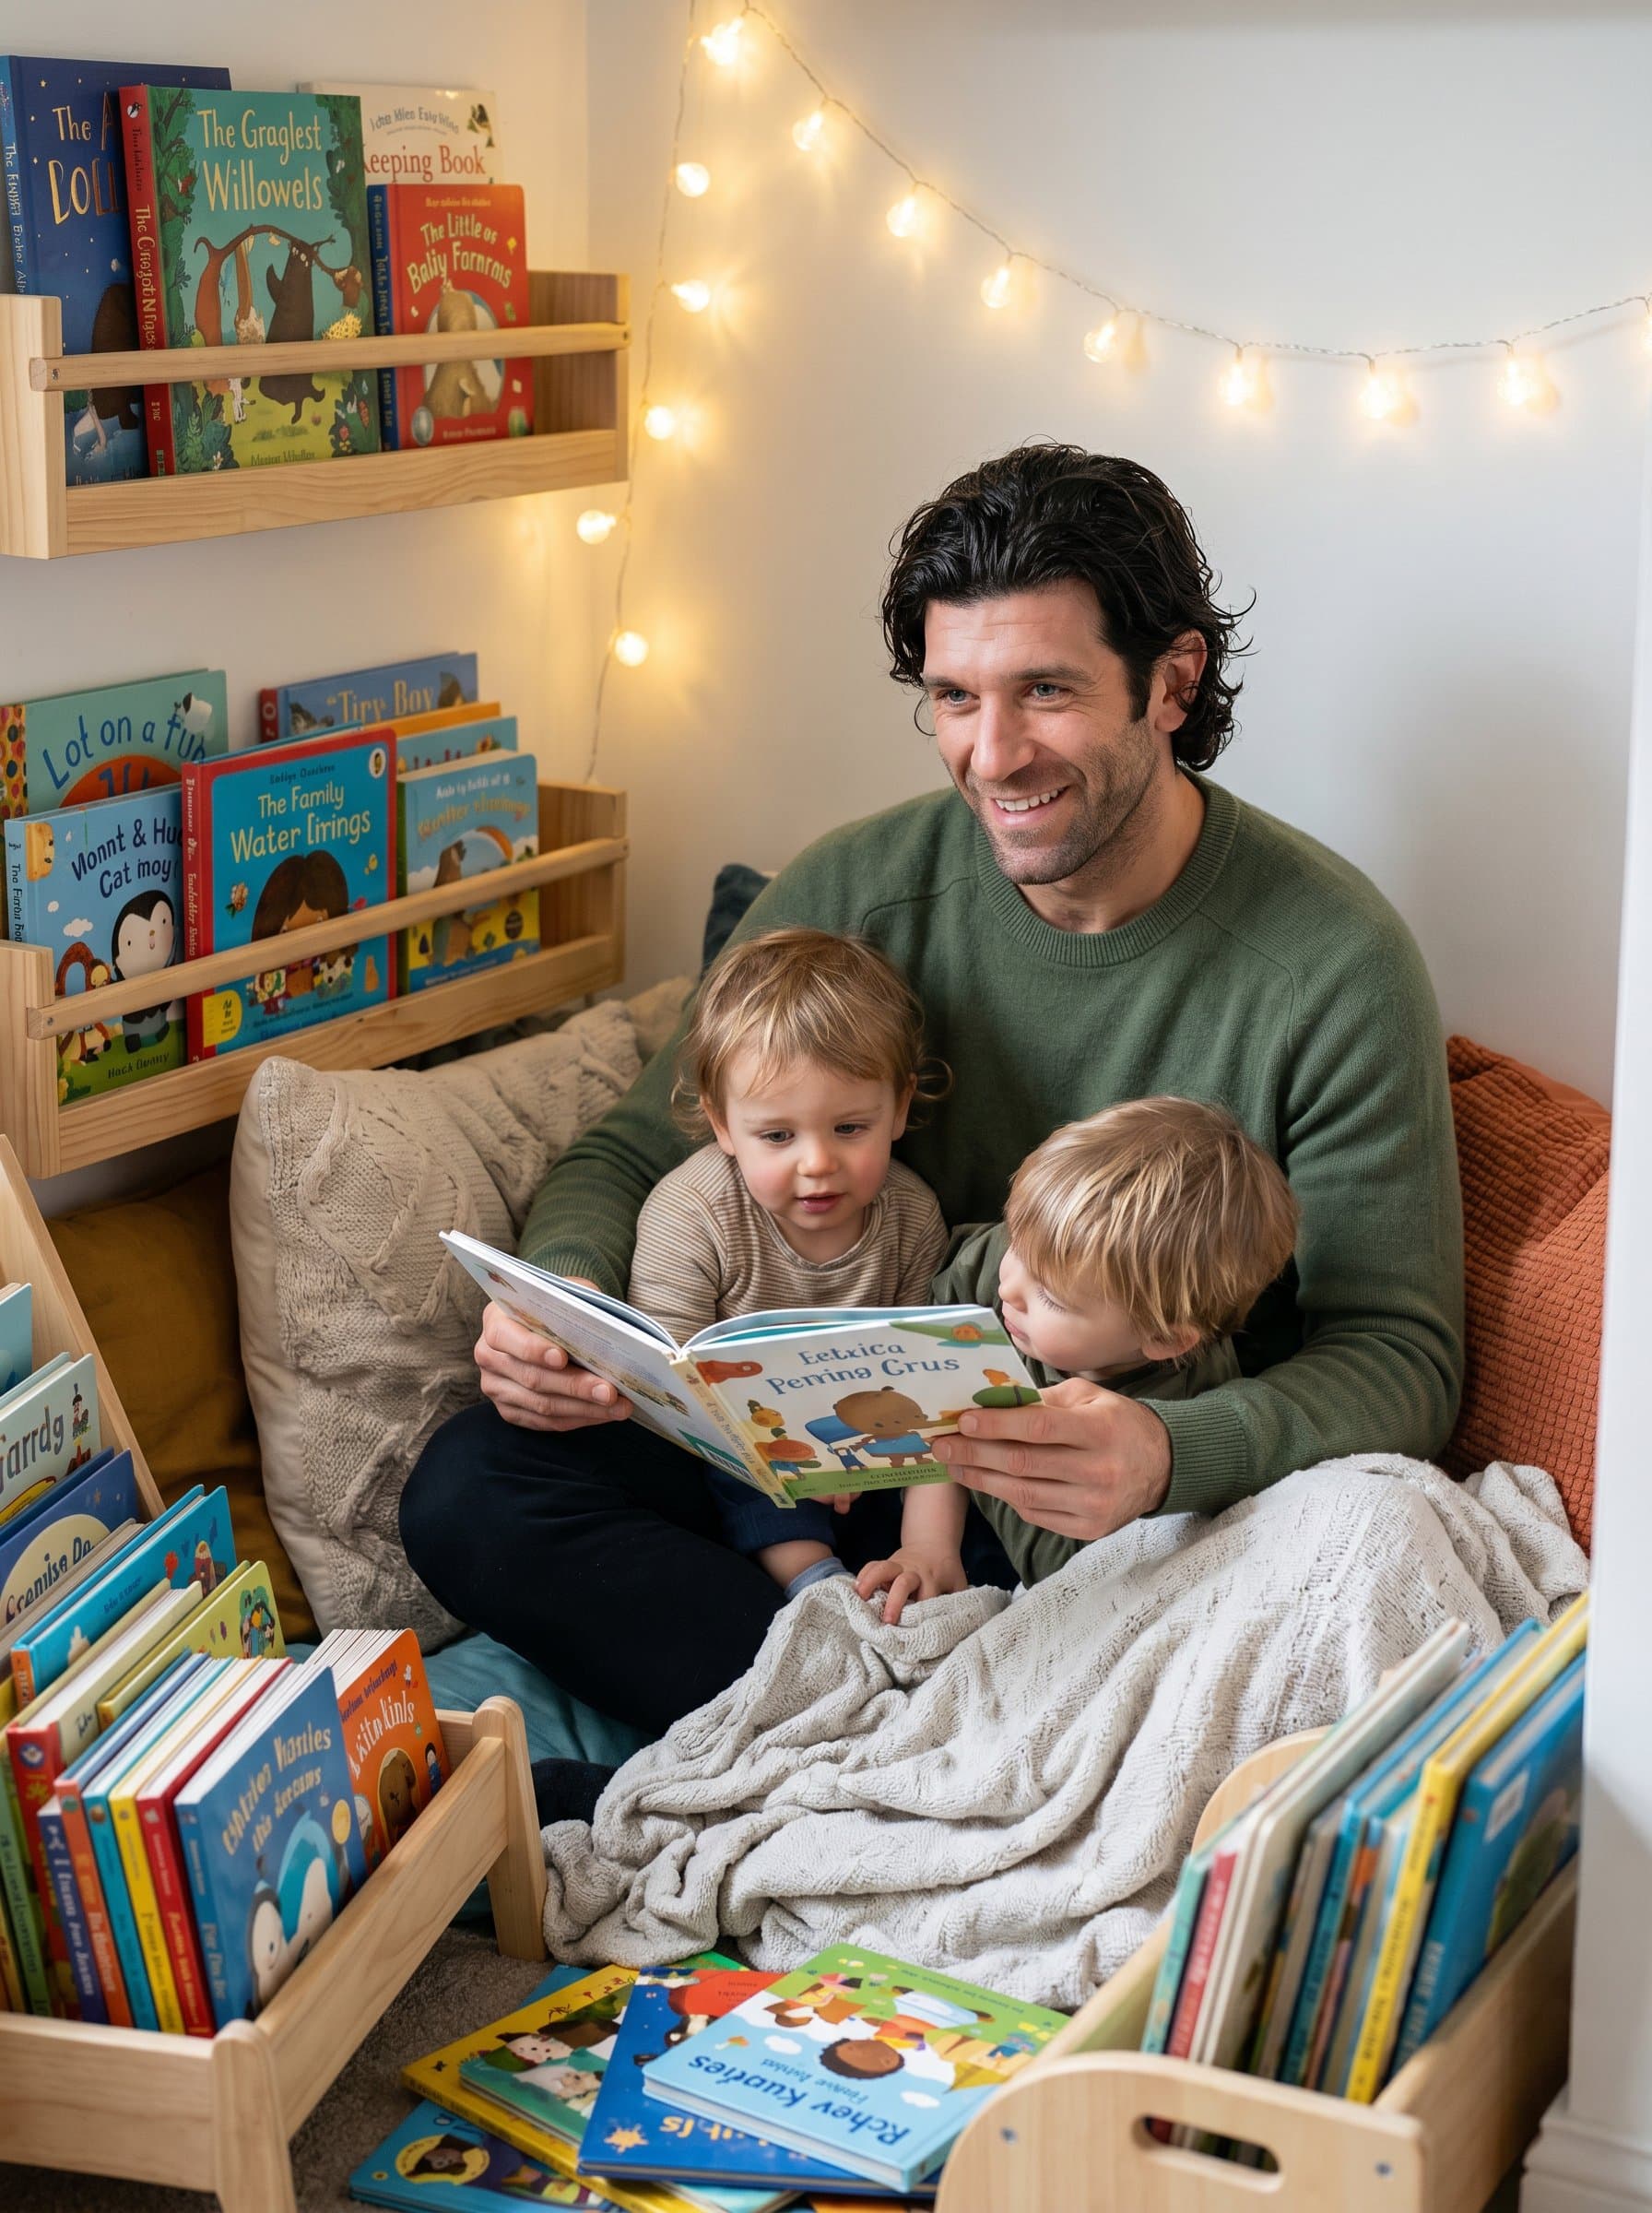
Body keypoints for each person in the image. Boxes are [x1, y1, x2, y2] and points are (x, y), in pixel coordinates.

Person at [400, 443, 1464, 1754]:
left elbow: (1401, 1358)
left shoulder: (1331, 962)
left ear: (1171, 683)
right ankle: (888, 1736)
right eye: (954, 697)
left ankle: (879, 1740)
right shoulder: (857, 888)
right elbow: (631, 1151)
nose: (993, 753)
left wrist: (1162, 1454)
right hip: (808, 1469)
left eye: (1045, 692)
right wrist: (558, 1308)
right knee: (469, 1490)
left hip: (1084, 1513)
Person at [629, 923, 1006, 1603]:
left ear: (899, 1107)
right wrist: (799, 1461)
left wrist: (921, 1534)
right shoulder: (691, 1213)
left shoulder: (911, 1215)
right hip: (744, 1450)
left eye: (850, 1128)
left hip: (878, 1441)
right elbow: (670, 1394)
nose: (817, 1163)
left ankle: (941, 1580)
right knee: (743, 1481)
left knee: (972, 1481)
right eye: (777, 1136)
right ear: (722, 1125)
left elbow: (936, 1392)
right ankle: (815, 1590)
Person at [856, 1095, 1301, 1624]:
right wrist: (927, 1546)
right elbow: (934, 1411)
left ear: (1162, 1339)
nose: (1010, 1289)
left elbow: (1077, 1575)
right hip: (934, 1506)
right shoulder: (994, 1271)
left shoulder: (1180, 1410)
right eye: (1015, 1242)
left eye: (1052, 1297)